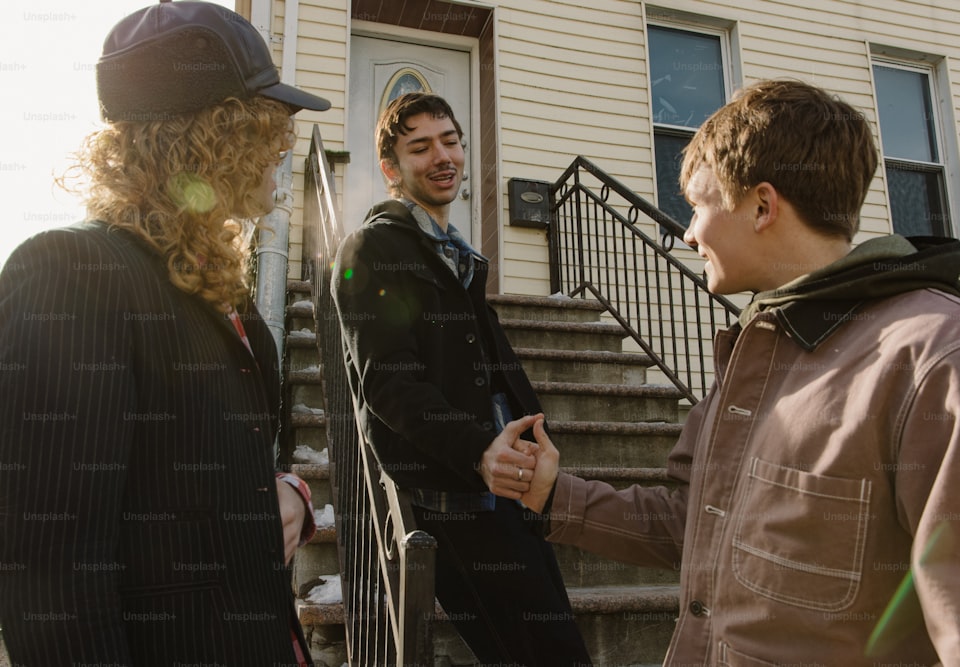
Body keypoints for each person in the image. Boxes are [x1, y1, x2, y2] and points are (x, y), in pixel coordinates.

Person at [502, 79, 960, 666]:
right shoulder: (752, 351)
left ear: (762, 206)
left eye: (698, 205)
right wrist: (556, 495)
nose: (687, 234)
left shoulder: (949, 359)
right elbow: (696, 524)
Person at [0, 3, 331, 665]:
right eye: (267, 126)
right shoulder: (74, 271)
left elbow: (196, 474)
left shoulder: (217, 291)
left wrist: (288, 491)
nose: (283, 147)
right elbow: (52, 577)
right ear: (214, 134)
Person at [333, 92, 593, 666]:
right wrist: (478, 452)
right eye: (419, 147)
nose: (441, 156)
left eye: (450, 141)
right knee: (541, 654)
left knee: (556, 648)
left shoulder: (458, 256)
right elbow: (388, 383)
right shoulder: (372, 247)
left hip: (510, 489)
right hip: (454, 498)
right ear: (391, 168)